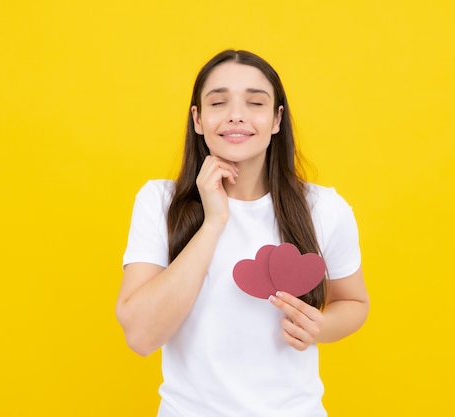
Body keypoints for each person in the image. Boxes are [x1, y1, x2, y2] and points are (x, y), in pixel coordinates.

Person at [116, 49, 369, 417]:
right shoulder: (159, 202)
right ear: (198, 119)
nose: (236, 114)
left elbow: (354, 303)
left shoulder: (324, 208)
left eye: (255, 102)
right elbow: (141, 337)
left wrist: (321, 327)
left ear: (277, 119)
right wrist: (214, 222)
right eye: (218, 102)